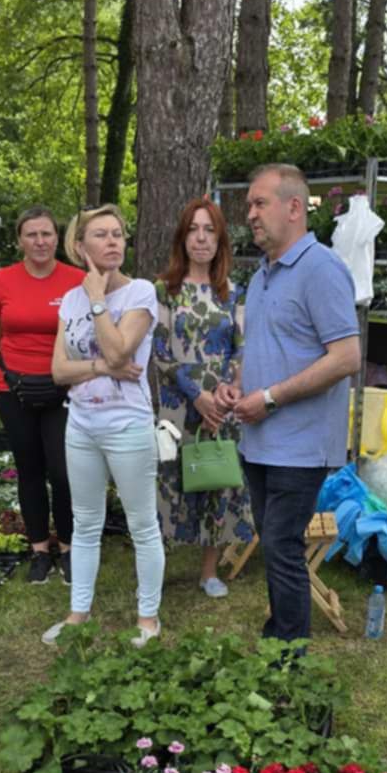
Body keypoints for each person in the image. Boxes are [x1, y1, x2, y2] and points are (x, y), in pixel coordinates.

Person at [215, 163, 360, 642]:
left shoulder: (322, 269)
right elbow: (266, 348)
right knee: (276, 548)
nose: (250, 214)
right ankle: (278, 641)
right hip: (259, 438)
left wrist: (271, 398)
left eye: (260, 203)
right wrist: (237, 384)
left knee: (281, 546)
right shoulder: (262, 275)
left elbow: (346, 358)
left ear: (294, 207)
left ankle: (287, 656)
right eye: (249, 205)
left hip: (300, 444)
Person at [44, 204, 164, 646]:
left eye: (118, 233)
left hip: (127, 425)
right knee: (85, 523)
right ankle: (78, 614)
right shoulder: (69, 300)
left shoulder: (140, 293)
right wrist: (100, 367)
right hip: (81, 424)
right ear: (80, 247)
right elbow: (59, 370)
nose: (113, 241)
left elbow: (119, 352)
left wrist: (98, 299)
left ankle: (148, 618)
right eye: (101, 234)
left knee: (142, 525)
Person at [153, 196, 254, 596]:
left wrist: (228, 391)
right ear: (183, 238)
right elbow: (160, 352)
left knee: (218, 480)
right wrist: (197, 395)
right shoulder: (165, 290)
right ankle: (156, 570)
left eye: (209, 230)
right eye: (193, 230)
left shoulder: (233, 293)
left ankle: (209, 572)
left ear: (220, 239)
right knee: (168, 482)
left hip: (222, 406)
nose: (201, 238)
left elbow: (240, 349)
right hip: (179, 404)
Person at [0, 206, 83, 584]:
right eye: (31, 234)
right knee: (29, 469)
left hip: (63, 388)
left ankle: (69, 547)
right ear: (19, 240)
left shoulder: (77, 280)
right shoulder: (2, 280)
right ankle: (39, 549)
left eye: (46, 234)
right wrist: (9, 368)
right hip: (14, 388)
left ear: (57, 238)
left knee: (62, 471)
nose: (40, 241)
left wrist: (67, 375)